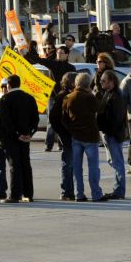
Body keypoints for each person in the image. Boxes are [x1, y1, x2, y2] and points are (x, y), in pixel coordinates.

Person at [62, 73, 108, 202]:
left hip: (76, 136)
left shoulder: (68, 98)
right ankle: (96, 194)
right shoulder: (89, 97)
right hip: (90, 136)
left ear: (76, 83)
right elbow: (100, 109)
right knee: (93, 167)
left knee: (77, 167)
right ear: (88, 84)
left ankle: (79, 194)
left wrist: (71, 129)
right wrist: (98, 95)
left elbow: (64, 119)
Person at [0, 74, 40, 203]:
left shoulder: (5, 99)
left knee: (14, 164)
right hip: (25, 137)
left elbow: (5, 121)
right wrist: (29, 134)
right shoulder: (29, 98)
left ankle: (15, 194)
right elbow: (35, 119)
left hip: (11, 138)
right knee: (25, 164)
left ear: (8, 85)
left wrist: (16, 134)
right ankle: (28, 194)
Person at [96, 69, 128, 200]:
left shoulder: (117, 96)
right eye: (101, 80)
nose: (101, 82)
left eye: (104, 80)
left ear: (111, 82)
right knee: (112, 161)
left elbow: (117, 118)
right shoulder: (108, 93)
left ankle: (119, 191)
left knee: (117, 162)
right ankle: (118, 189)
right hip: (108, 133)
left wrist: (110, 133)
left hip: (113, 134)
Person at [48, 72, 78, 200]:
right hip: (67, 136)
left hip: (73, 135)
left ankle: (71, 191)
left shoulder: (73, 94)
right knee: (68, 164)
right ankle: (66, 191)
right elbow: (54, 118)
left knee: (73, 165)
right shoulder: (62, 96)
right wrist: (61, 133)